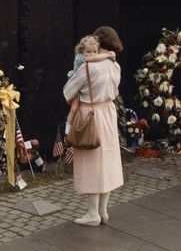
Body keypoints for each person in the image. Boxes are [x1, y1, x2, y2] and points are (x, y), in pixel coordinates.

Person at [63, 25, 124, 226]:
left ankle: (92, 214)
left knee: (90, 162)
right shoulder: (115, 66)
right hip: (108, 112)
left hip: (89, 114)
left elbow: (68, 92)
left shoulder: (87, 68)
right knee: (107, 161)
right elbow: (114, 91)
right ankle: (103, 211)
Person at [65, 35, 116, 136]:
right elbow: (93, 59)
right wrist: (108, 55)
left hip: (86, 86)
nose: (92, 54)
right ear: (82, 51)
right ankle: (68, 125)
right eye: (88, 51)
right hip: (78, 86)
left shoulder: (94, 61)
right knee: (74, 107)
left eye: (94, 51)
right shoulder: (81, 58)